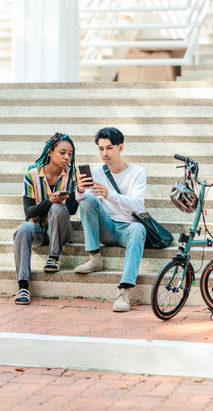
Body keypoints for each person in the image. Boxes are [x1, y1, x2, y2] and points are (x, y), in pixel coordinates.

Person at [74, 127, 146, 312]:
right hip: (107, 228)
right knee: (87, 200)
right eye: (100, 149)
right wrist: (80, 190)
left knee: (139, 229)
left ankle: (124, 290)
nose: (104, 153)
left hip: (127, 229)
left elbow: (137, 205)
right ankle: (94, 256)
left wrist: (110, 195)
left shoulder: (137, 173)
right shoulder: (97, 173)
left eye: (109, 148)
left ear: (120, 147)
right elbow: (83, 203)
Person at [13, 132, 78, 305]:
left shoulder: (71, 174)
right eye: (62, 152)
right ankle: (23, 286)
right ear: (50, 152)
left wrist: (78, 194)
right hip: (40, 232)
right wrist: (49, 201)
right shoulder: (32, 175)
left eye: (70, 154)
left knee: (59, 207)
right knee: (23, 228)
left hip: (62, 231)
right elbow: (28, 212)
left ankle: (53, 257)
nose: (67, 157)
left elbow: (71, 209)